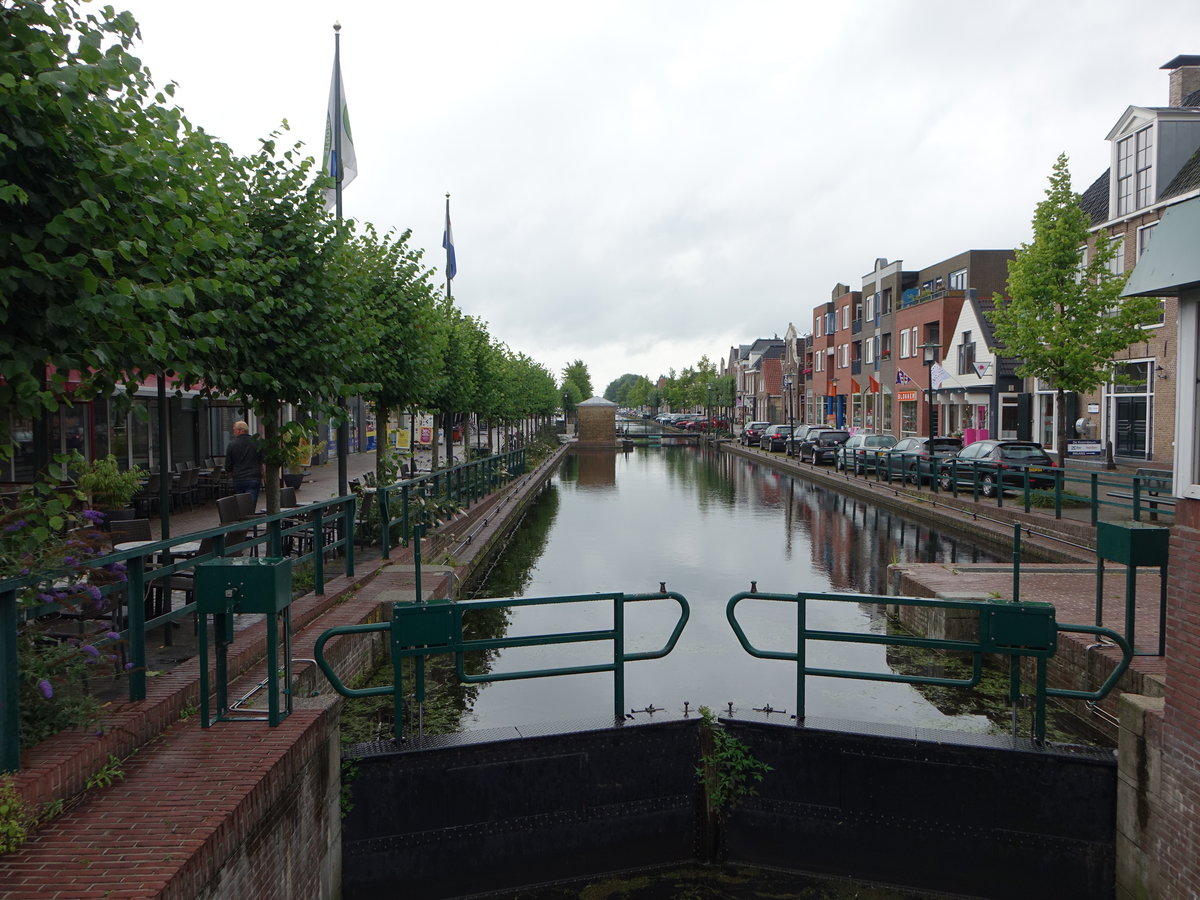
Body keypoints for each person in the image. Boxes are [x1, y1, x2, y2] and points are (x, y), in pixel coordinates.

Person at [225, 420, 264, 507]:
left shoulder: (232, 445)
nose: (233, 432)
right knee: (250, 504)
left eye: (234, 429)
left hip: (238, 478)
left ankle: (243, 517)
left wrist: (230, 475)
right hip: (253, 478)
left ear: (240, 430)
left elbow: (228, 465)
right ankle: (249, 515)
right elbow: (262, 461)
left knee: (241, 504)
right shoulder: (257, 443)